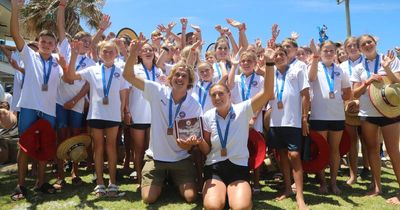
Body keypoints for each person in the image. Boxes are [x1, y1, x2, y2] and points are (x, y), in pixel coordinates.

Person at [123, 35, 202, 204]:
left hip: (180, 158)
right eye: (177, 75)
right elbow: (128, 75)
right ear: (170, 78)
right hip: (155, 158)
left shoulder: (194, 104)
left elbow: (192, 141)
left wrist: (188, 144)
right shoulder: (156, 90)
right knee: (148, 199)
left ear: (189, 82)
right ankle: (163, 180)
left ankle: (172, 180)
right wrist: (132, 54)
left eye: (184, 76)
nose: (180, 78)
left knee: (191, 197)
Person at [196, 46, 274, 210]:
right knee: (213, 206)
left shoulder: (243, 109)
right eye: (214, 95)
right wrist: (198, 142)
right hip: (214, 166)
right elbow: (206, 149)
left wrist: (269, 63)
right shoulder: (208, 116)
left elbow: (267, 92)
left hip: (238, 167)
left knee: (241, 207)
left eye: (221, 94)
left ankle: (233, 193)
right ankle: (220, 192)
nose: (217, 97)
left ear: (229, 95)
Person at [10, 0, 67, 200]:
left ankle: (41, 183)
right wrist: (16, 9)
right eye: (43, 42)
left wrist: (68, 61)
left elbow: (67, 77)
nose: (46, 45)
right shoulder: (29, 55)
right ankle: (20, 185)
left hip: (49, 111)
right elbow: (16, 34)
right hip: (28, 107)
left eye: (50, 43)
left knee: (45, 148)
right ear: (38, 42)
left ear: (54, 46)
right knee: (24, 146)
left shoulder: (57, 63)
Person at [65, 39, 129, 197]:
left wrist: (122, 111)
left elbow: (124, 92)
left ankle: (113, 183)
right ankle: (100, 183)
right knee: (98, 148)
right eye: (104, 51)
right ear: (99, 53)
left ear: (116, 54)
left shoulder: (120, 70)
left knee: (111, 147)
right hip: (96, 114)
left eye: (111, 51)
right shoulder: (92, 69)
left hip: (113, 115)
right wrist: (74, 55)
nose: (107, 54)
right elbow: (71, 76)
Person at [350, 34, 400, 204]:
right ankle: (377, 186)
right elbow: (353, 93)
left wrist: (387, 69)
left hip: (390, 112)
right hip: (367, 113)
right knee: (372, 150)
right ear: (360, 48)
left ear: (375, 43)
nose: (367, 45)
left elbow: (398, 82)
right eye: (363, 44)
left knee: (393, 152)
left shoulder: (389, 59)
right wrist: (367, 82)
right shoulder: (358, 67)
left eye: (369, 42)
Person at [54, 0, 96, 188]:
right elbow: (60, 27)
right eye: (84, 41)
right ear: (76, 42)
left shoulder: (91, 64)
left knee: (76, 139)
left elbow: (87, 86)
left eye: (89, 42)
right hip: (60, 102)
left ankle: (75, 173)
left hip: (77, 104)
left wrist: (75, 100)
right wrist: (61, 7)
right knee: (62, 136)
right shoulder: (65, 48)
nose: (87, 44)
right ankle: (61, 174)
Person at [268, 46, 310, 210]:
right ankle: (287, 188)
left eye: (282, 54)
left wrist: (305, 117)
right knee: (282, 156)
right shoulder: (270, 74)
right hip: (276, 123)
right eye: (276, 55)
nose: (278, 57)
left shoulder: (297, 70)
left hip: (293, 122)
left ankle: (300, 197)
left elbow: (305, 94)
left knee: (294, 156)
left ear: (287, 56)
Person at [308, 40, 351, 194]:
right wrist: (314, 57)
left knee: (334, 151)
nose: (328, 53)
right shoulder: (315, 66)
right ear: (320, 52)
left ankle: (333, 183)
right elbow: (311, 78)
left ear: (335, 53)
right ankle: (322, 183)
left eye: (331, 50)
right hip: (318, 116)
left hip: (337, 116)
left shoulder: (340, 70)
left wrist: (337, 99)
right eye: (325, 50)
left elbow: (347, 92)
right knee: (321, 150)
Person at [127, 41, 165, 187]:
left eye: (150, 50)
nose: (148, 52)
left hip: (155, 116)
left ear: (154, 53)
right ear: (139, 54)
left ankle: (152, 180)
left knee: (152, 151)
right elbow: (128, 90)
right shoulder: (134, 69)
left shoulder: (159, 71)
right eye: (144, 50)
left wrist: (165, 83)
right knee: (139, 149)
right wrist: (127, 110)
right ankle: (139, 180)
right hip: (138, 113)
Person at [339, 36, 370, 185]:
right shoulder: (341, 66)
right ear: (345, 49)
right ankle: (353, 173)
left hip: (366, 104)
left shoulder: (367, 62)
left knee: (368, 140)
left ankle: (367, 168)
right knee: (351, 140)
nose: (352, 48)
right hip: (348, 106)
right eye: (349, 46)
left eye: (354, 45)